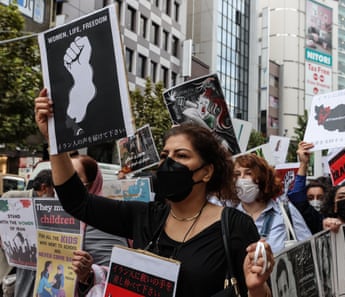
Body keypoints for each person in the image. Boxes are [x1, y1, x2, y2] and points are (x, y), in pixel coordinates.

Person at [34, 89, 273, 297]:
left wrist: (256, 289)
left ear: (206, 172)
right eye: (163, 156)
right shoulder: (145, 217)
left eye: (181, 156)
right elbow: (77, 202)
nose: (168, 163)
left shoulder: (234, 227)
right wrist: (54, 139)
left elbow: (256, 290)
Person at [69, 154, 130, 297]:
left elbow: (117, 271)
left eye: (73, 177)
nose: (65, 182)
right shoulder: (51, 212)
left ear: (91, 183)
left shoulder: (103, 217)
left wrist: (89, 274)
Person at [234, 153, 311, 254]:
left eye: (248, 173)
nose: (242, 179)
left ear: (262, 178)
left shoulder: (285, 212)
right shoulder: (229, 219)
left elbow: (309, 249)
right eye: (237, 174)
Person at [1, 169, 55, 297]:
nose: (54, 195)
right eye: (53, 190)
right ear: (44, 188)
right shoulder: (12, 198)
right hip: (9, 260)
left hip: (31, 265)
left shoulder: (50, 207)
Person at [286, 141, 324, 234]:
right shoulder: (309, 216)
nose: (315, 201)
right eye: (310, 198)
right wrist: (303, 163)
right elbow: (297, 194)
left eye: (320, 197)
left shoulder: (334, 217)